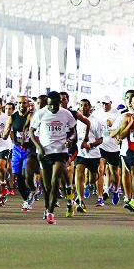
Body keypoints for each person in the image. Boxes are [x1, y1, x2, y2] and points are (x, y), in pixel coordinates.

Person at [30, 91, 77, 224]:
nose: (52, 108)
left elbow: (73, 131)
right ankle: (47, 208)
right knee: (46, 186)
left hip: (60, 151)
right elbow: (32, 132)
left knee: (55, 179)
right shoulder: (40, 114)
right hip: (45, 151)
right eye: (50, 105)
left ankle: (51, 213)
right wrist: (38, 146)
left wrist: (70, 140)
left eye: (55, 105)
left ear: (59, 103)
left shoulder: (66, 114)